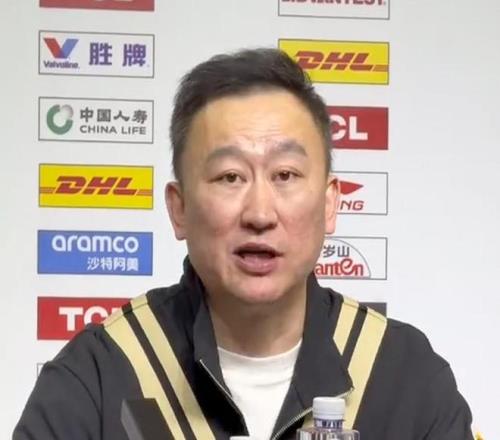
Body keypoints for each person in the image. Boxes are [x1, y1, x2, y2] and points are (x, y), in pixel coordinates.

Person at [14, 48, 473, 440]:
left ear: (330, 203)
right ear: (179, 208)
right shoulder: (100, 375)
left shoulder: (404, 376)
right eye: (230, 177)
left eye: (285, 175)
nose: (259, 213)